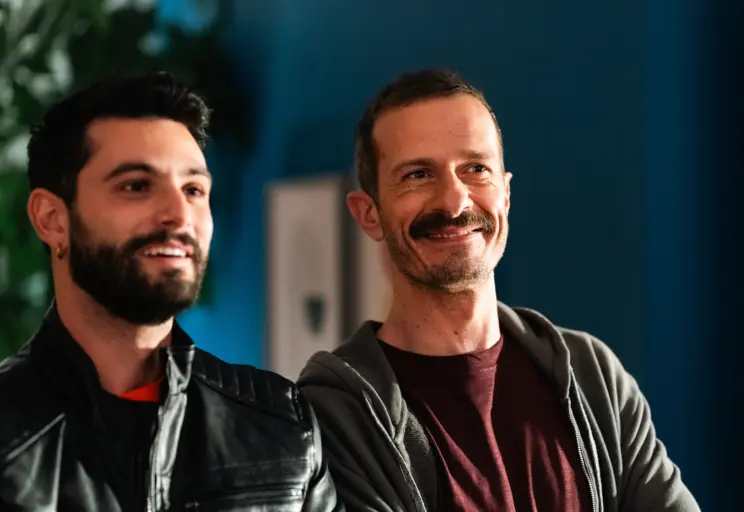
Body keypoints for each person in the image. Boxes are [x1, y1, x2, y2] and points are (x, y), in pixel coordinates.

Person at [298, 69, 699, 512]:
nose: (455, 201)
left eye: (475, 169)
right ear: (369, 214)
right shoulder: (335, 412)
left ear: (505, 195)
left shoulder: (594, 376)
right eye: (418, 174)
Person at [0, 72, 341, 511]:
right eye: (136, 186)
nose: (179, 215)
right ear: (52, 220)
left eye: (194, 189)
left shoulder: (282, 425)